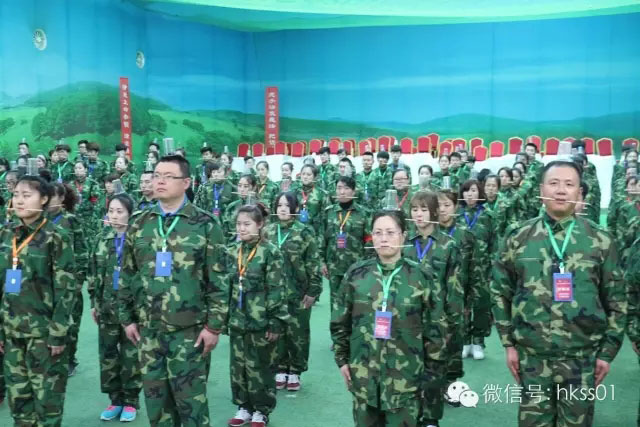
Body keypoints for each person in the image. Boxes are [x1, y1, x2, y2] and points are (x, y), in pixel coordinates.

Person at [492, 160, 627, 427]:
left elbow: (617, 300)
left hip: (582, 358)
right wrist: (508, 344)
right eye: (553, 183)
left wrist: (607, 352)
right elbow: (499, 292)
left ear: (579, 192)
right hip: (532, 356)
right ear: (541, 189)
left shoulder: (600, 239)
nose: (561, 190)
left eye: (569, 184)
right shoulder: (518, 237)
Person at [118, 155, 226, 426]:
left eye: (168, 176)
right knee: (157, 408)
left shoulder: (205, 224)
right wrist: (127, 318)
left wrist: (213, 327)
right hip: (148, 331)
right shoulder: (140, 222)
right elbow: (127, 274)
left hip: (189, 332)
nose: (160, 181)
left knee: (192, 408)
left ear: (186, 182)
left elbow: (219, 281)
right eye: (156, 176)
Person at [330, 210, 447, 427]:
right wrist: (342, 360)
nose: (384, 238)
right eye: (378, 233)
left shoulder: (421, 277)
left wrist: (431, 375)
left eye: (391, 232)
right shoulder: (357, 274)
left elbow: (436, 329)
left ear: (403, 235)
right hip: (364, 377)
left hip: (406, 380)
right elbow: (340, 321)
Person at [0, 175, 75, 426]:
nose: (19, 201)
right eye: (16, 195)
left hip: (43, 335)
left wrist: (58, 332)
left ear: (43, 199)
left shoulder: (56, 236)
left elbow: (66, 289)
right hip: (11, 332)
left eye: (27, 195)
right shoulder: (5, 233)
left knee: (47, 405)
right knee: (19, 403)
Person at [225, 204, 289, 427]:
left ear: (260, 224)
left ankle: (262, 410)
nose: (241, 228)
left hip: (261, 321)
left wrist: (275, 321)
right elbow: (226, 286)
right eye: (238, 224)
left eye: (247, 224)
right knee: (238, 367)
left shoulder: (270, 252)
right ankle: (244, 406)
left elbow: (277, 288)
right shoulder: (232, 251)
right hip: (237, 320)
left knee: (261, 367)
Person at [404, 191, 463, 424]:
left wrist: (452, 324)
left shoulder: (448, 245)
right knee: (408, 369)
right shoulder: (405, 243)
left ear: (435, 212)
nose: (419, 215)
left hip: (437, 320)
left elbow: (454, 288)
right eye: (415, 210)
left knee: (434, 372)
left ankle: (430, 418)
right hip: (407, 319)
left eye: (424, 210)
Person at [87, 194, 142, 422]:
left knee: (131, 355)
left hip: (131, 310)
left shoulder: (138, 239)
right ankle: (115, 400)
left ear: (130, 214)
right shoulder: (102, 239)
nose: (115, 216)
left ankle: (131, 401)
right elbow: (93, 272)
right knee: (108, 355)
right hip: (107, 307)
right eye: (111, 211)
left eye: (120, 211)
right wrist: (94, 302)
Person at [265, 192, 322, 392]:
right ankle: (280, 367)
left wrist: (313, 290)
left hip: (298, 291)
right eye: (279, 205)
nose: (282, 209)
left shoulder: (304, 232)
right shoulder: (268, 230)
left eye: (287, 205)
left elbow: (313, 262)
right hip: (274, 293)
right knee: (277, 329)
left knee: (298, 332)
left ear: (295, 209)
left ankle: (296, 370)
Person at [47, 182, 89, 377]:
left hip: (69, 282)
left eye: (53, 196)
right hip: (46, 284)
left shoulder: (70, 220)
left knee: (71, 323)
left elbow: (82, 251)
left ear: (62, 198)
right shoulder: (39, 220)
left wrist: (78, 280)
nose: (48, 201)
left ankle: (70, 359)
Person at [322, 176, 371, 311]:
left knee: (355, 304)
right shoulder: (329, 212)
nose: (342, 192)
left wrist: (366, 264)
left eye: (346, 188)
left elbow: (369, 241)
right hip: (334, 265)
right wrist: (322, 262)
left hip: (356, 266)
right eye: (339, 188)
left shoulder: (363, 213)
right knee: (335, 304)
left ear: (353, 191)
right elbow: (322, 238)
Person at [458, 180, 493, 360]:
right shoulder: (456, 215)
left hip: (482, 269)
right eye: (466, 191)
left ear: (479, 192)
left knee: (481, 305)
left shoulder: (488, 216)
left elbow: (495, 243)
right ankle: (465, 341)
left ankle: (478, 342)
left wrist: (493, 268)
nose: (469, 194)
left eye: (473, 190)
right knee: (461, 304)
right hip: (460, 269)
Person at [294, 164, 328, 235]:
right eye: (303, 174)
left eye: (308, 174)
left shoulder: (322, 194)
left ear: (315, 177)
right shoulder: (295, 192)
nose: (305, 177)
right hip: (297, 232)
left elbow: (325, 217)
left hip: (315, 232)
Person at [72, 161, 101, 229]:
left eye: (80, 168)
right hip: (74, 217)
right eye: (76, 168)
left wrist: (95, 218)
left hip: (88, 218)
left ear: (85, 169)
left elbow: (96, 203)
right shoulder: (71, 184)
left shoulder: (92, 183)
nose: (77, 170)